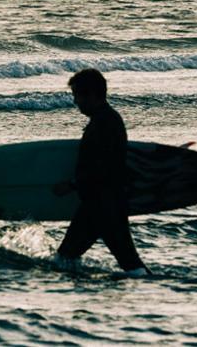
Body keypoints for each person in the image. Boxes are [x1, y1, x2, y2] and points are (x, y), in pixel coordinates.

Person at [53, 69, 149, 277]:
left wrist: (71, 185)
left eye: (77, 95)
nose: (75, 101)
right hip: (102, 203)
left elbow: (104, 167)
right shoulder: (104, 119)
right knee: (126, 260)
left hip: (103, 204)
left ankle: (157, 290)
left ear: (93, 95)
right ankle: (152, 286)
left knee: (66, 258)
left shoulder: (106, 122)